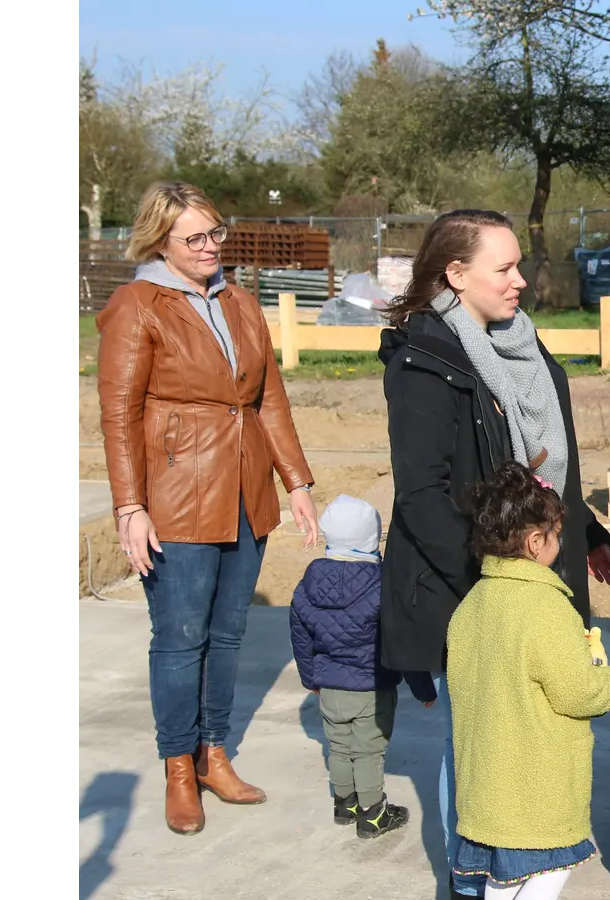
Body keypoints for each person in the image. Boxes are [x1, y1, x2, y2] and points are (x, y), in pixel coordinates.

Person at [377, 209, 610, 896]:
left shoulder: (516, 343)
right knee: (480, 749)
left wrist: (585, 531)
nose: (521, 280)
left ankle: (518, 870)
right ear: (456, 274)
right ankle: (474, 881)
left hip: (528, 577)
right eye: (503, 268)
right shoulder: (425, 360)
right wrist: (492, 583)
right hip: (473, 589)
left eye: (519, 264)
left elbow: (540, 472)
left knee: (526, 741)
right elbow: (423, 493)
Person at [97, 180, 320, 836]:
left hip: (245, 493)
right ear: (158, 239)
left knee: (227, 634)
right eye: (193, 238)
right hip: (175, 494)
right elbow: (118, 414)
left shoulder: (240, 302)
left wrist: (297, 483)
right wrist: (129, 506)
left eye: (215, 233)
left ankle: (213, 753)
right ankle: (177, 766)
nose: (209, 247)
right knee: (180, 636)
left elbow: (269, 398)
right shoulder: (138, 305)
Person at [447, 463, 610, 900]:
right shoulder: (546, 609)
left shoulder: (471, 605)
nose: (559, 541)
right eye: (556, 533)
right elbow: (579, 692)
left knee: (502, 882)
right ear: (536, 541)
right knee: (546, 874)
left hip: (485, 791)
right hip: (533, 795)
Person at [288, 494, 438, 838]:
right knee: (368, 751)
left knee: (339, 746)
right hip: (372, 687)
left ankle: (345, 803)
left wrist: (310, 677)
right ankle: (372, 813)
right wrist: (422, 688)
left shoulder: (309, 582)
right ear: (372, 540)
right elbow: (401, 641)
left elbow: (299, 634)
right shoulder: (383, 585)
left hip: (329, 686)